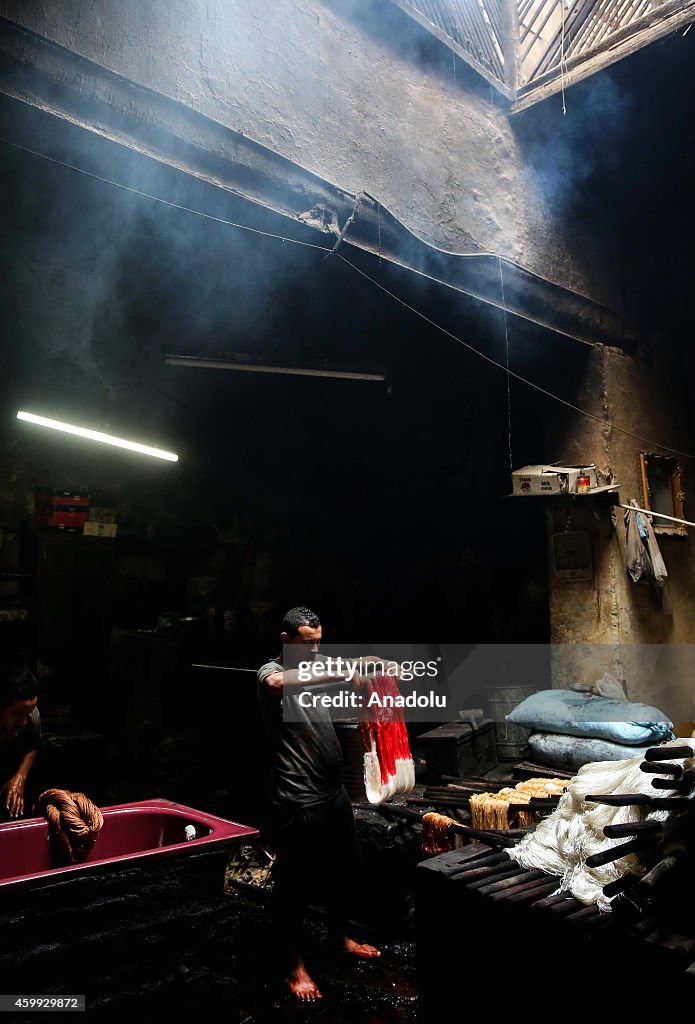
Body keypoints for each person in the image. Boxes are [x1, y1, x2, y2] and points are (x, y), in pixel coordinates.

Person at [257, 606, 381, 1003]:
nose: (314, 652)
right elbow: (278, 683)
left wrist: (370, 666)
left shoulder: (316, 662)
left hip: (332, 793)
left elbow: (350, 668)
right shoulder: (269, 672)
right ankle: (292, 964)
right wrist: (338, 669)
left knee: (346, 869)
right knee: (294, 886)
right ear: (286, 640)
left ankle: (338, 937)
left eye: (319, 644)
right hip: (298, 797)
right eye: (307, 644)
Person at [0, 661, 42, 820]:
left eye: (28, 712)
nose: (24, 721)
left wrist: (20, 776)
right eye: (17, 714)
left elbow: (34, 745)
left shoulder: (31, 715)